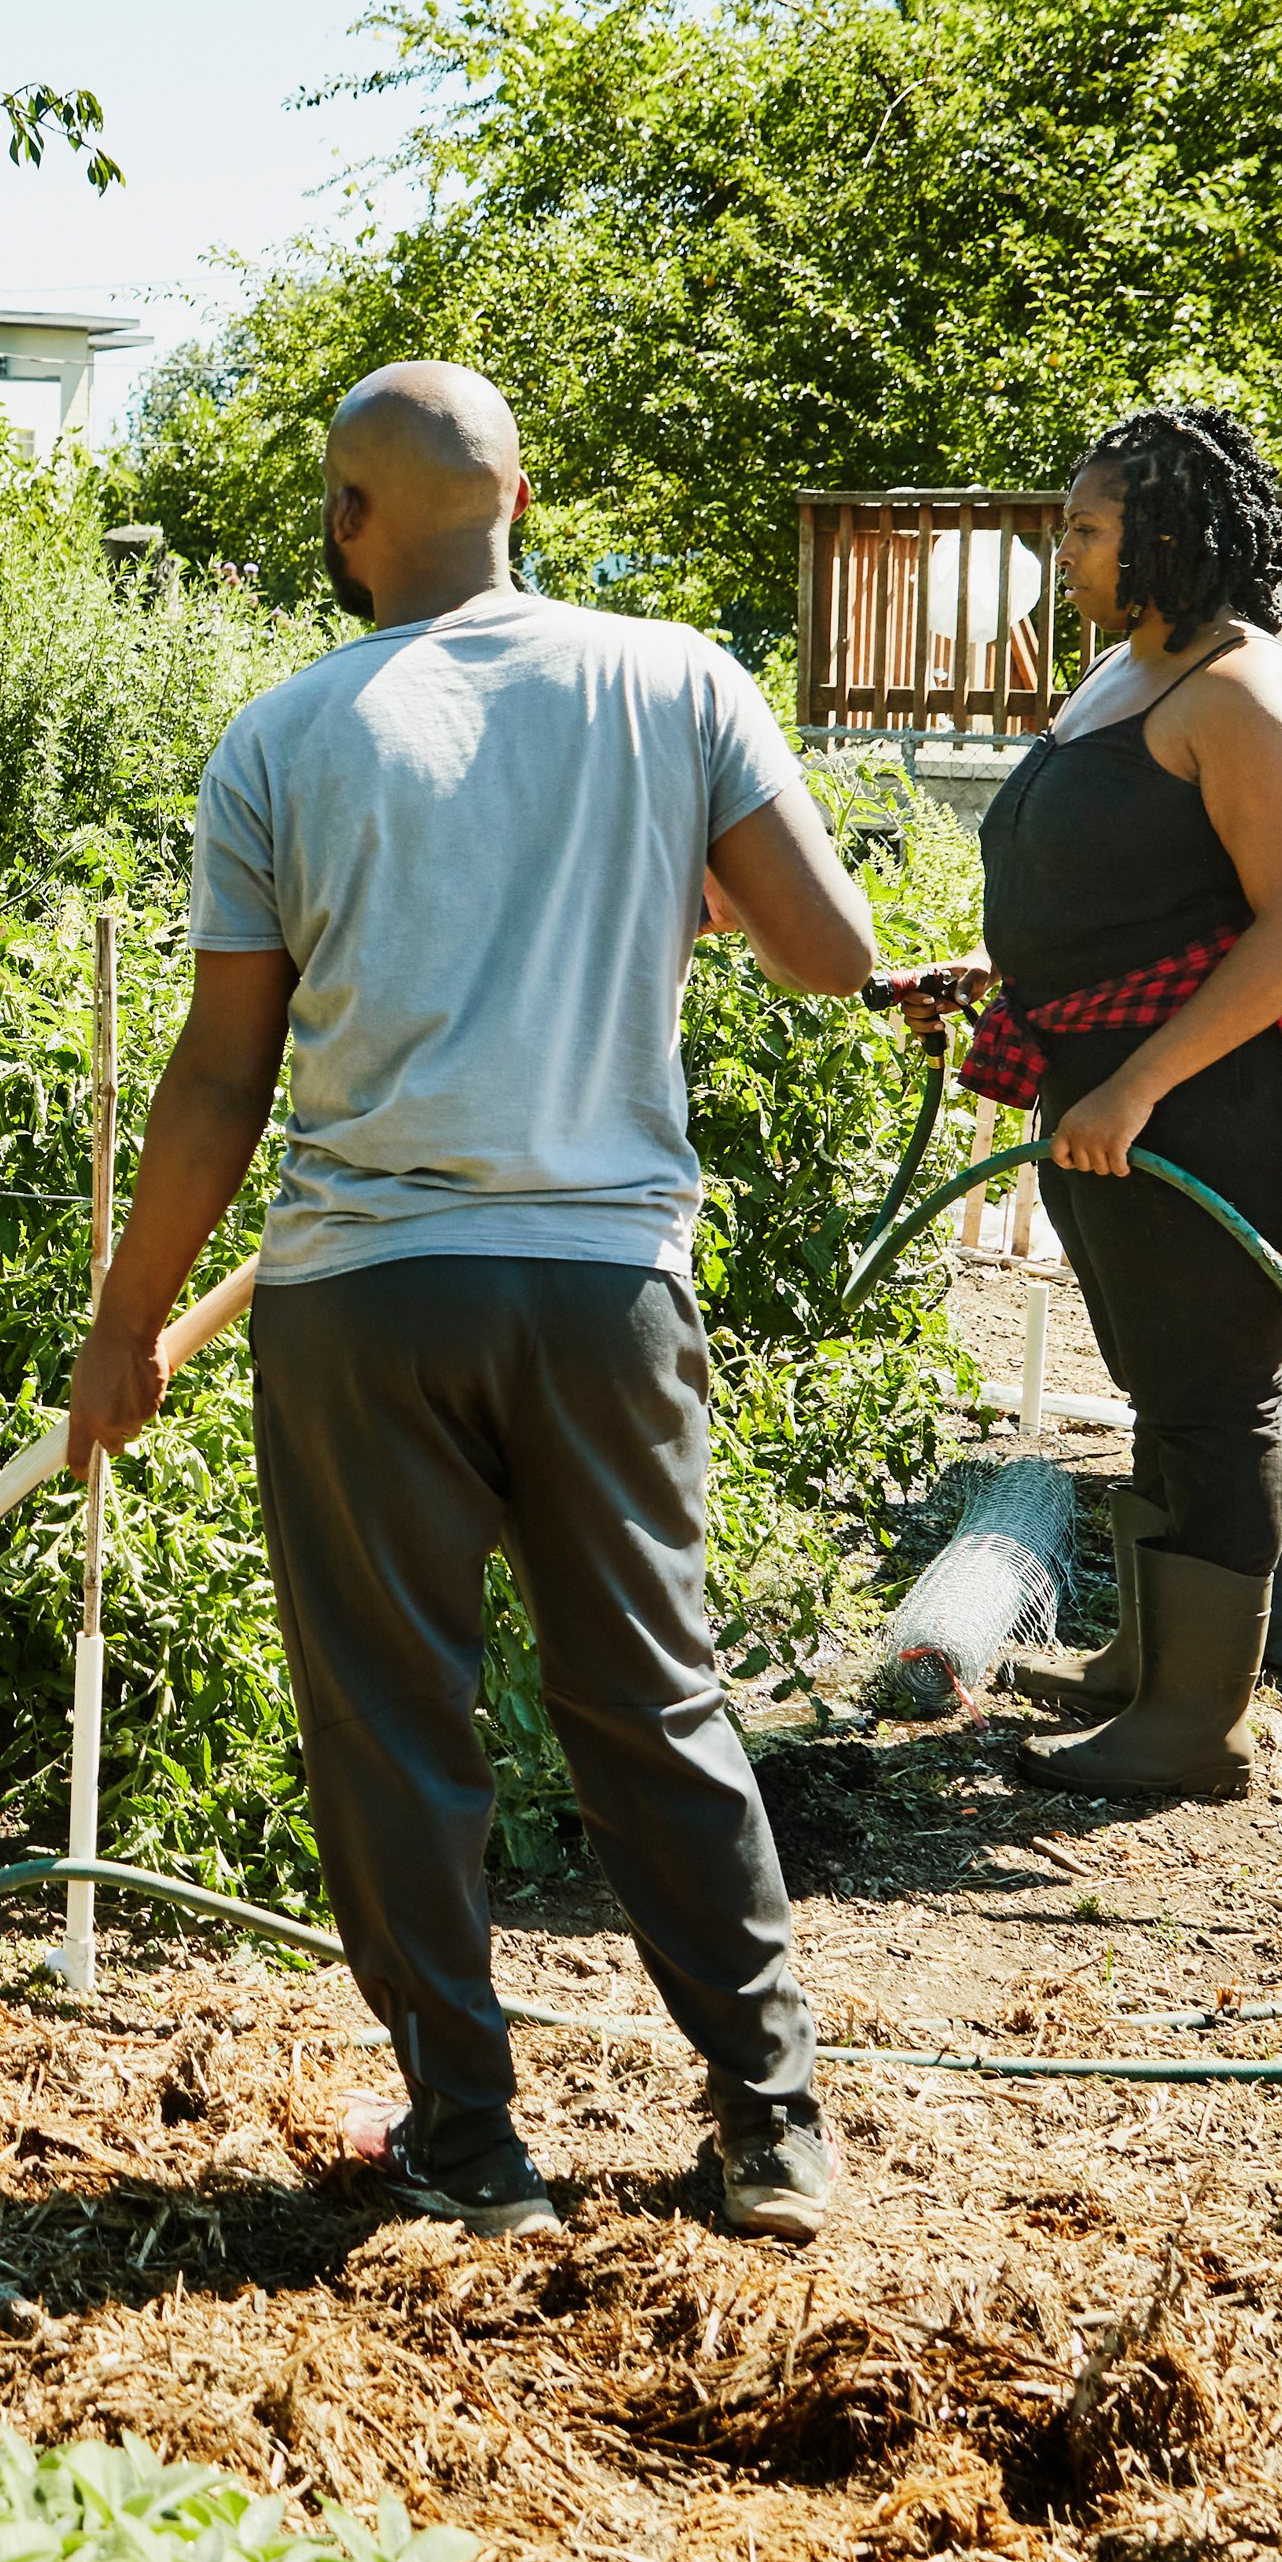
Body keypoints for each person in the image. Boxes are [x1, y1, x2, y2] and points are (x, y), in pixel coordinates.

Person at [68, 362, 883, 2244]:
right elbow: (831, 955)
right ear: (524, 492)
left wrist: (129, 1318)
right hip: (605, 1291)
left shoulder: (287, 735)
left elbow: (217, 1075)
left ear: (355, 522)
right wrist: (665, 874)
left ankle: (469, 2141)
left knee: (393, 1715)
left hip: (366, 1297)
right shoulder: (677, 681)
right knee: (650, 1693)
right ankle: (771, 2123)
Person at [883, 404, 1282, 1805]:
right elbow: (1139, 886)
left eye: (1088, 526)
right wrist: (1001, 971)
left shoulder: (1244, 690)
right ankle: (1152, 1670)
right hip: (1123, 1077)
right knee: (1161, 1389)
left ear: (1171, 535)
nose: (1062, 550)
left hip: (1216, 1095)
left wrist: (1134, 1081)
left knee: (1217, 1395)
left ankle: (1194, 1728)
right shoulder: (1137, 670)